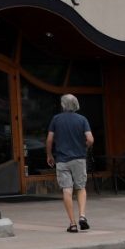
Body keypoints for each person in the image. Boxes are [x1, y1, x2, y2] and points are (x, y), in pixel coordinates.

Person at [46, 94, 94, 233]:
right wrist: (84, 147)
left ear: (63, 105)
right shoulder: (82, 119)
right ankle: (83, 216)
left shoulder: (56, 119)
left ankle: (72, 224)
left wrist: (49, 155)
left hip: (62, 160)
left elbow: (49, 140)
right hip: (79, 158)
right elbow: (90, 139)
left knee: (67, 190)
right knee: (80, 187)